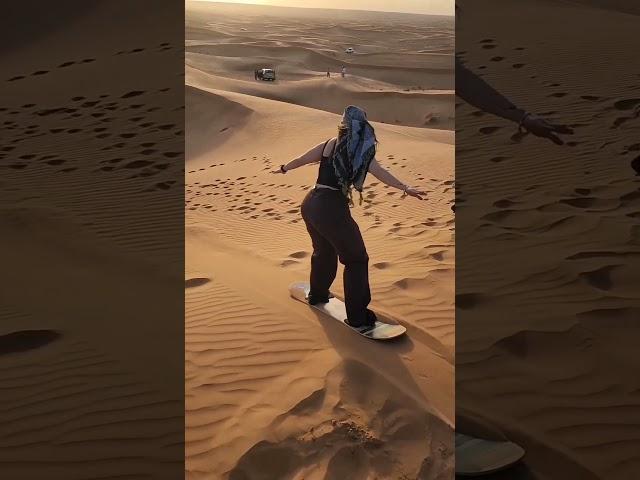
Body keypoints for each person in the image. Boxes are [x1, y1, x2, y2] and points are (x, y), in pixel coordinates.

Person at [273, 105, 425, 329]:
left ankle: (317, 295)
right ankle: (357, 317)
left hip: (311, 203)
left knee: (324, 252)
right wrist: (405, 187)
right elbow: (381, 173)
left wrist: (283, 168)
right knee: (356, 260)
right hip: (331, 208)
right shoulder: (361, 152)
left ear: (342, 125)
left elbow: (302, 159)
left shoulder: (328, 144)